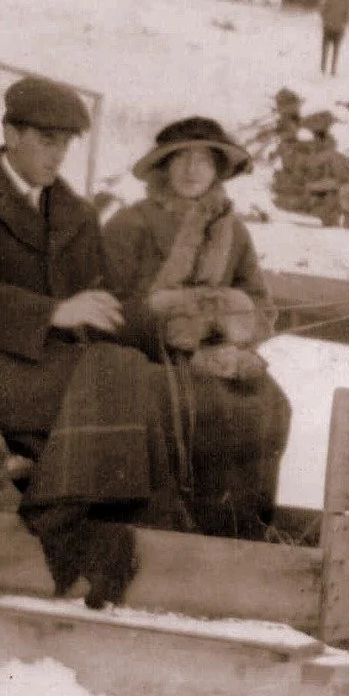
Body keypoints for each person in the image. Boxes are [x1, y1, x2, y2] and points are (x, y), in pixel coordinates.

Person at [0, 76, 139, 605]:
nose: (58, 155)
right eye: (46, 140)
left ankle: (106, 518)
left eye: (66, 143)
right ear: (10, 134)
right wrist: (54, 312)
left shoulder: (76, 213)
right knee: (110, 379)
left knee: (139, 373)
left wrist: (178, 327)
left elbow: (102, 296)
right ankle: (60, 527)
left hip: (50, 363)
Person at [102, 117, 290, 539]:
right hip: (145, 354)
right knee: (201, 408)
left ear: (218, 170)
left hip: (216, 355)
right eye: (182, 159)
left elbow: (261, 305)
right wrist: (174, 333)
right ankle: (178, 527)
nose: (192, 170)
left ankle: (244, 527)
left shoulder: (233, 230)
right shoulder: (131, 224)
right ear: (163, 167)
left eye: (203, 160)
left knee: (268, 401)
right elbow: (109, 305)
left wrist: (234, 344)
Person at [319, 0, 349, 75]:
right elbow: (323, 8)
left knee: (334, 49)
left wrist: (344, 22)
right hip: (330, 26)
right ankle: (324, 68)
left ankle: (331, 69)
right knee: (327, 48)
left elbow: (347, 13)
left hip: (336, 27)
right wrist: (325, 19)